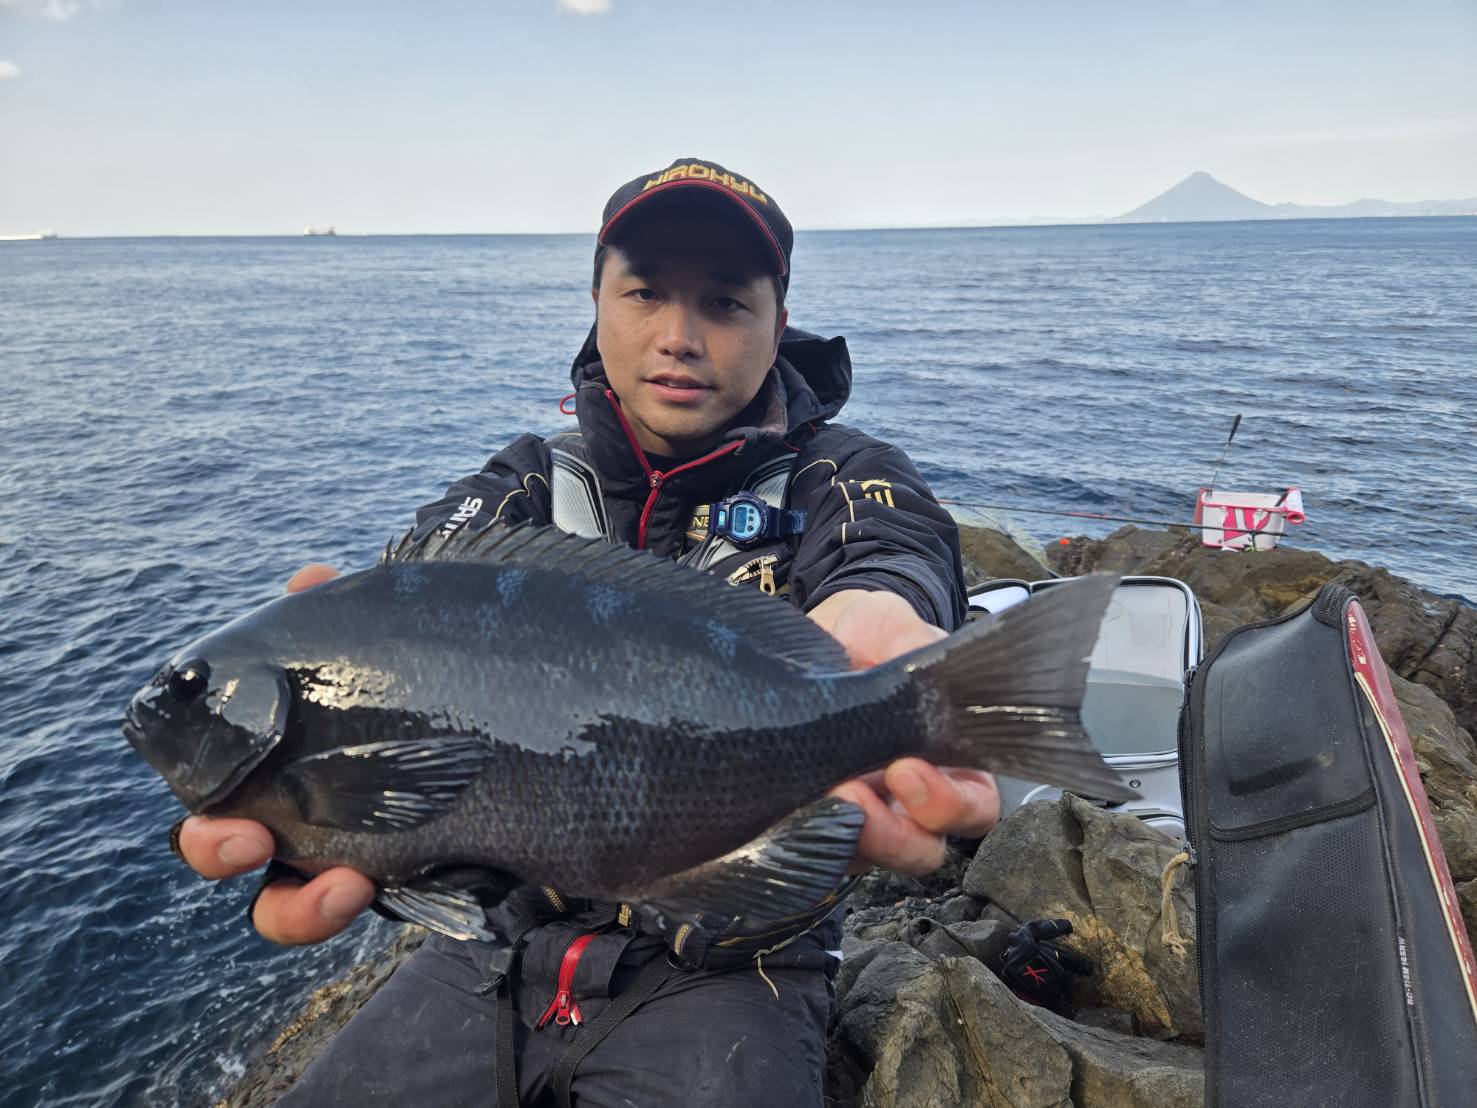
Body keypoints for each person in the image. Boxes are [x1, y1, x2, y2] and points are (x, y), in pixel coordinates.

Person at [175, 157, 1001, 1106]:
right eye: (643, 293)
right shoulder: (521, 486)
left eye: (726, 304)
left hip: (738, 958)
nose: (679, 337)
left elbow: (894, 539)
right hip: (491, 945)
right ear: (596, 300)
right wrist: (316, 802)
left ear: (780, 318)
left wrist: (891, 622)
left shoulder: (837, 475)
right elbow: (425, 595)